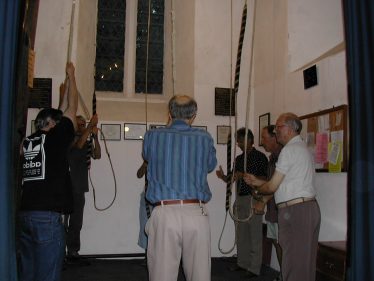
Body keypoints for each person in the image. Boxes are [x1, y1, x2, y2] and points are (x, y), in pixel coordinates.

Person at [142, 95, 217, 281]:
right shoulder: (204, 138)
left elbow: (147, 156)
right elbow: (210, 166)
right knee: (199, 274)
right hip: (196, 211)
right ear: (193, 116)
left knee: (161, 275)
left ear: (169, 113)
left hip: (165, 211)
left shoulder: (152, 136)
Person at [19, 62, 78, 281]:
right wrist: (72, 78)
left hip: (26, 214)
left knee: (29, 273)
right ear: (53, 124)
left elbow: (61, 113)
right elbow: (71, 109)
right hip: (47, 218)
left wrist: (60, 101)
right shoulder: (57, 138)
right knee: (48, 275)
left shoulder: (28, 142)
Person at [243, 113, 321, 281]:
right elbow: (282, 183)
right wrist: (257, 181)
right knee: (303, 264)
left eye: (279, 127)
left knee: (293, 264)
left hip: (296, 212)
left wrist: (258, 190)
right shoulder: (301, 148)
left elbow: (271, 186)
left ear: (291, 129)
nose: (276, 130)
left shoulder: (289, 150)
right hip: (306, 209)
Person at [216, 128, 268, 278]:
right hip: (239, 198)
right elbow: (232, 178)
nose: (238, 143)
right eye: (237, 141)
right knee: (242, 235)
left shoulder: (260, 157)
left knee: (255, 235)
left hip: (254, 198)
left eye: (240, 140)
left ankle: (254, 268)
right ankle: (242, 263)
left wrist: (245, 175)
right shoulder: (238, 159)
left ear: (250, 140)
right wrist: (223, 177)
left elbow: (265, 179)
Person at [65, 114, 101, 259]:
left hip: (79, 186)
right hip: (67, 185)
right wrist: (89, 126)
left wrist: (95, 137)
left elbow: (97, 155)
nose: (81, 126)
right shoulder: (69, 140)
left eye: (83, 124)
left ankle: (73, 251)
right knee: (63, 221)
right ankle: (61, 251)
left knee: (76, 221)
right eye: (79, 124)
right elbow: (78, 145)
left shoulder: (85, 141)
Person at [256, 125, 283, 281]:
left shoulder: (283, 157)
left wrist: (262, 198)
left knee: (283, 245)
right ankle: (283, 274)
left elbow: (277, 186)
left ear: (274, 138)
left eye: (264, 138)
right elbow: (269, 182)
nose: (262, 141)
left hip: (282, 211)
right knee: (275, 242)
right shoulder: (271, 158)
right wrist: (256, 183)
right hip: (273, 210)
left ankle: (287, 275)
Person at [136, 160, 151, 251]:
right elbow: (139, 175)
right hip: (146, 197)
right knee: (145, 227)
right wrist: (145, 164)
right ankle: (147, 258)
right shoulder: (147, 160)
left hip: (160, 199)